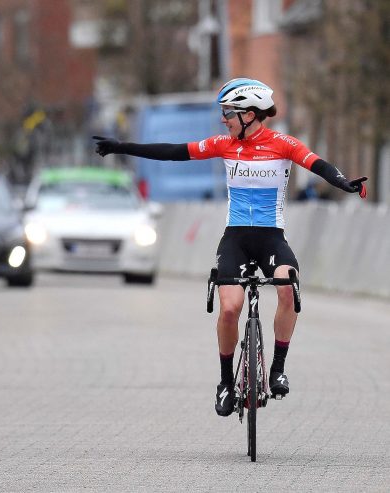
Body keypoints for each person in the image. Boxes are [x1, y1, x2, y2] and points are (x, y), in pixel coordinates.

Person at [93, 78, 367, 417]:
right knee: (228, 309)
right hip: (235, 238)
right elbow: (174, 151)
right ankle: (225, 383)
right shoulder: (223, 144)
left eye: (228, 113)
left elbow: (318, 165)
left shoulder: (283, 144)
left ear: (249, 115)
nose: (223, 119)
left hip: (270, 237)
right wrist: (121, 147)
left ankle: (278, 368)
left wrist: (344, 182)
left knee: (287, 284)